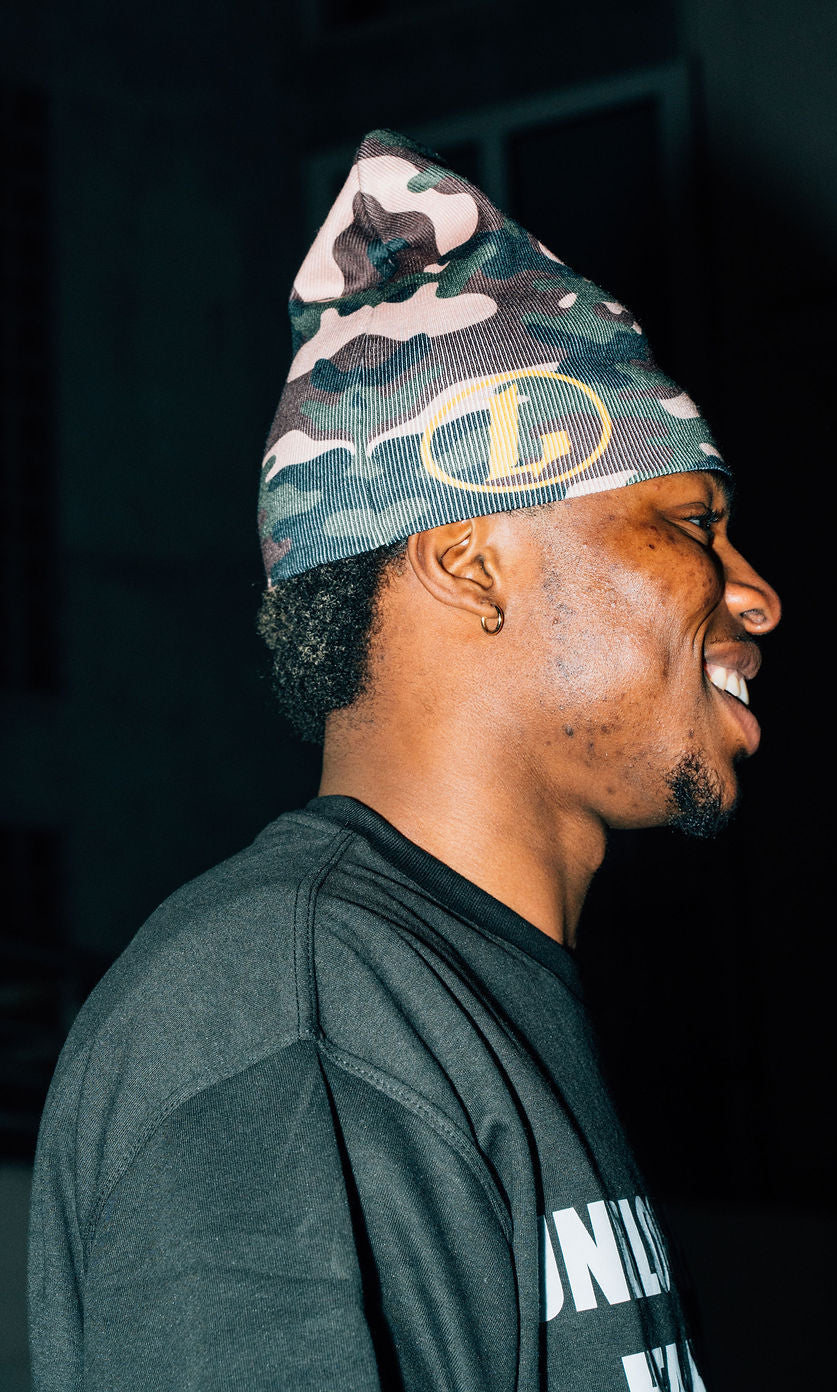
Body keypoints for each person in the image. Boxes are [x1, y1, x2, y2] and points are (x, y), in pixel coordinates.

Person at [28, 129, 780, 1391]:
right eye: (691, 522)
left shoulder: (447, 992)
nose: (754, 595)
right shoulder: (285, 1015)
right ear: (471, 561)